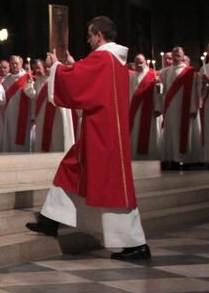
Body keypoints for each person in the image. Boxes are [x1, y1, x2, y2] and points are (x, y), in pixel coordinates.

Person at [26, 16, 150, 260]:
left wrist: (56, 68)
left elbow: (77, 82)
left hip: (102, 134)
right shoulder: (114, 60)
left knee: (112, 189)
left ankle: (134, 244)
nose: (88, 39)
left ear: (99, 36)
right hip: (102, 131)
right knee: (71, 168)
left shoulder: (103, 57)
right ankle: (50, 220)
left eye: (90, 35)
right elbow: (89, 78)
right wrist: (74, 65)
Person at [158, 46, 202, 169]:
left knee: (186, 133)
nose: (176, 55)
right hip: (172, 108)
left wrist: (194, 107)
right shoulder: (165, 72)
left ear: (183, 56)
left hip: (186, 107)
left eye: (179, 54)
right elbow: (162, 90)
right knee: (172, 133)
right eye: (174, 53)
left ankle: (187, 160)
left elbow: (195, 91)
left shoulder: (190, 72)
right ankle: (173, 159)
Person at [27, 58, 75, 153]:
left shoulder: (60, 78)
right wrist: (29, 84)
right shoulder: (39, 80)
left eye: (49, 67)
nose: (47, 69)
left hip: (57, 113)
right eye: (46, 67)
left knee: (57, 136)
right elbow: (32, 94)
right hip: (42, 114)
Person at [129, 53, 161, 160]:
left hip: (149, 109)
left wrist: (159, 87)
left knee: (150, 134)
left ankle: (150, 156)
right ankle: (135, 156)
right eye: (137, 63)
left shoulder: (154, 74)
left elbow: (160, 93)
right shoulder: (132, 76)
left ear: (146, 62)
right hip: (134, 110)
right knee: (135, 132)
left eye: (141, 62)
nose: (139, 65)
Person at [0, 55, 33, 152]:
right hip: (10, 113)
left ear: (21, 64)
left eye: (16, 63)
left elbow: (32, 94)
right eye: (12, 63)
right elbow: (1, 97)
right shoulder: (5, 80)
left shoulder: (28, 77)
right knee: (10, 134)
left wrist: (29, 84)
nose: (14, 65)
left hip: (24, 113)